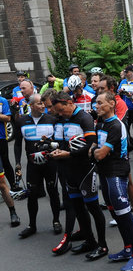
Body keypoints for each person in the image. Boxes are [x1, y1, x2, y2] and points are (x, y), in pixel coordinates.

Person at [49, 92, 107, 258]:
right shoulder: (60, 119)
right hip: (68, 170)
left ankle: (102, 246)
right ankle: (90, 241)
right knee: (77, 207)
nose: (60, 114)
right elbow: (60, 143)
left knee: (93, 208)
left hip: (85, 169)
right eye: (57, 111)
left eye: (62, 110)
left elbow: (90, 146)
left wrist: (68, 155)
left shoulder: (84, 118)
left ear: (69, 103)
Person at [93, 91, 133, 271]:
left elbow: (100, 153)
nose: (96, 106)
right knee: (115, 214)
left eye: (99, 103)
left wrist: (94, 152)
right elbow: (95, 147)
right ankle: (128, 248)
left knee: (125, 216)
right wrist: (94, 151)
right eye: (95, 103)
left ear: (112, 104)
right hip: (104, 174)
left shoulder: (115, 125)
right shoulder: (101, 123)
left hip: (116, 174)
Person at [14, 94, 62, 238]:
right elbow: (17, 144)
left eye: (43, 103)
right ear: (31, 106)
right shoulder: (22, 121)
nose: (42, 106)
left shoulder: (52, 119)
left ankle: (56, 221)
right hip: (32, 164)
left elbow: (59, 141)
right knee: (32, 194)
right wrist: (17, 163)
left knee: (52, 191)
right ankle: (32, 225)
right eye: (39, 104)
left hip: (50, 162)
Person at [97, 75, 133, 228]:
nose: (98, 90)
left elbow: (117, 124)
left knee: (127, 181)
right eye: (98, 87)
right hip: (106, 147)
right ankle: (120, 212)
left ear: (111, 89)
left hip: (118, 149)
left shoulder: (120, 103)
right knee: (111, 183)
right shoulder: (100, 101)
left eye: (102, 88)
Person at [0, 94, 16, 189]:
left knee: (5, 161)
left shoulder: (2, 101)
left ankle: (13, 185)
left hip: (1, 137)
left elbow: (8, 118)